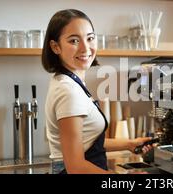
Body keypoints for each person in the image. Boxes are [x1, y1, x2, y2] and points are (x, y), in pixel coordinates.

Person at [42, 9, 152, 174]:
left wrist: (129, 143)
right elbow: (76, 167)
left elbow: (86, 140)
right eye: (74, 41)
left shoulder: (69, 82)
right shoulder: (69, 91)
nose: (85, 48)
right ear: (55, 46)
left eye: (90, 38)